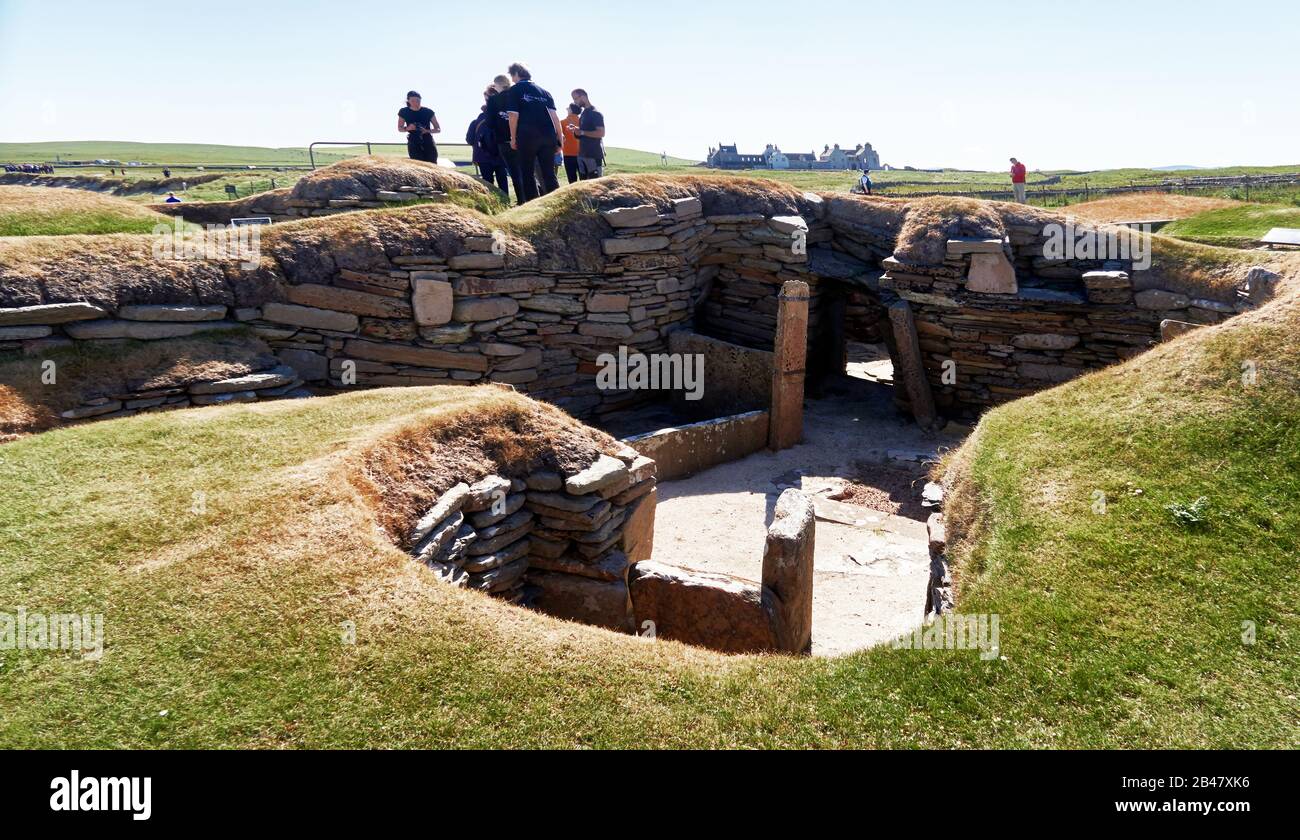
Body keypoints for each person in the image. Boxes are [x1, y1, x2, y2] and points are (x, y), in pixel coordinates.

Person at [504, 62, 564, 203]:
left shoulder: (515, 90)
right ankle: (557, 203)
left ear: (517, 74)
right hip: (548, 136)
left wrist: (513, 138)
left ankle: (532, 203)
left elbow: (513, 116)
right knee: (549, 173)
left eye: (512, 76)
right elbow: (555, 117)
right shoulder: (544, 92)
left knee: (527, 172)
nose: (512, 79)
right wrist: (559, 139)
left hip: (527, 136)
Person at [485, 74, 525, 204]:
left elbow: (489, 123)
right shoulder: (519, 96)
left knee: (514, 173)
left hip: (504, 140)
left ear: (497, 85)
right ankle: (531, 198)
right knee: (526, 170)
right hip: (521, 138)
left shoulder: (493, 100)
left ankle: (521, 200)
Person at [467, 86, 510, 194]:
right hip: (500, 154)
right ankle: (506, 201)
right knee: (502, 181)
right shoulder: (504, 117)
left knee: (487, 183)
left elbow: (469, 139)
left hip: (483, 156)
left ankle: (493, 204)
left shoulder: (476, 121)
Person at [570, 88, 605, 180]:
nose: (575, 101)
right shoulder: (583, 114)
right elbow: (583, 134)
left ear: (584, 97)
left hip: (593, 156)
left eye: (575, 98)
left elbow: (601, 133)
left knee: (595, 187)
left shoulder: (596, 113)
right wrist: (576, 131)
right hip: (582, 155)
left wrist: (582, 132)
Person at [398, 90, 440, 164]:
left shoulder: (428, 112)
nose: (416, 103)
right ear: (408, 101)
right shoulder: (404, 112)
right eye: (413, 100)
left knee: (432, 163)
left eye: (418, 100)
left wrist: (427, 131)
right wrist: (408, 128)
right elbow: (400, 128)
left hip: (428, 141)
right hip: (413, 141)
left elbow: (438, 129)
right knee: (417, 165)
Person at [560, 103, 581, 184]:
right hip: (581, 154)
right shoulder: (582, 121)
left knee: (572, 180)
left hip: (568, 154)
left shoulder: (562, 122)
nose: (566, 108)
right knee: (584, 179)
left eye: (568, 108)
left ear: (571, 110)